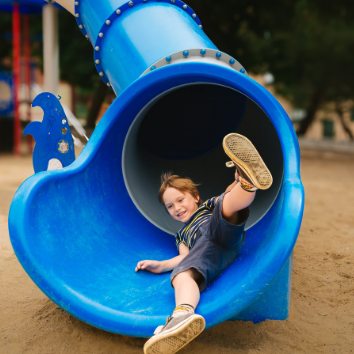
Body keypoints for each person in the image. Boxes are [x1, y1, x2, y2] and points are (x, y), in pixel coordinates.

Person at [135, 133, 273, 354]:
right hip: (208, 254)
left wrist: (235, 182)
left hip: (220, 230)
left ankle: (247, 182)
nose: (177, 208)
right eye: (170, 206)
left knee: (226, 205)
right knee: (182, 273)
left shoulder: (206, 207)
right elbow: (184, 258)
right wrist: (160, 265)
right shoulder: (181, 235)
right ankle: (182, 315)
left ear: (195, 197)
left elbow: (226, 199)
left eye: (181, 200)